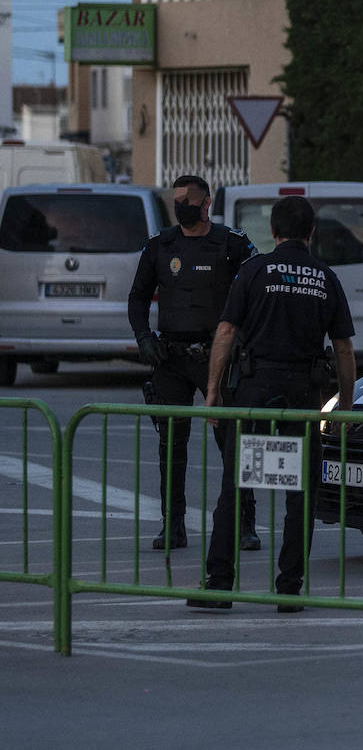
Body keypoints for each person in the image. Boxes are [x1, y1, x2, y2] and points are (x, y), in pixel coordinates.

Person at [187, 195, 356, 612]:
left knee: (235, 486)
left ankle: (220, 582)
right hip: (303, 395)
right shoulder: (325, 277)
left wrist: (212, 389)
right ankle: (289, 587)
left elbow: (226, 331)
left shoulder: (254, 270)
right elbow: (345, 349)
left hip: (255, 394)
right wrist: (345, 405)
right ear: (311, 232)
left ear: (274, 232)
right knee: (300, 492)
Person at [127, 174, 258, 551]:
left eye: (188, 199)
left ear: (206, 204)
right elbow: (137, 298)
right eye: (176, 199)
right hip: (170, 357)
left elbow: (256, 289)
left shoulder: (231, 244)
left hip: (216, 356)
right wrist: (143, 338)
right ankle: (174, 526)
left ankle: (245, 523)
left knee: (231, 441)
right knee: (171, 443)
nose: (180, 205)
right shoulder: (159, 246)